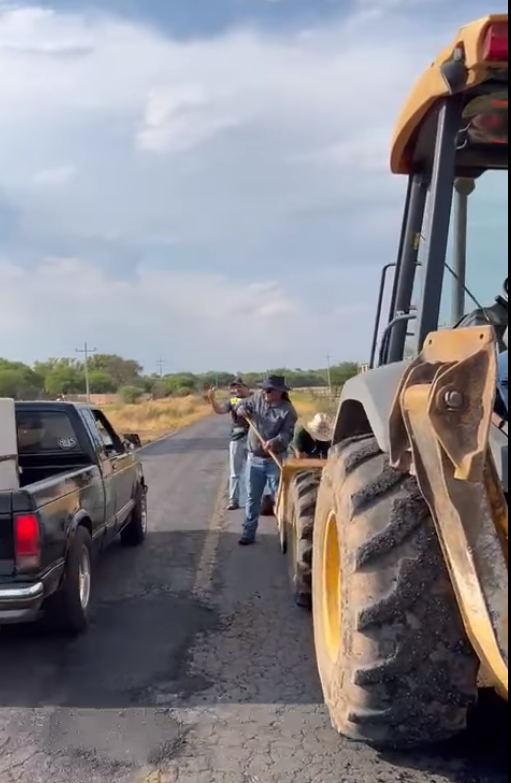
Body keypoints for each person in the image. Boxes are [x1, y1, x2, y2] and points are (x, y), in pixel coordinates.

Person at [234, 374, 298, 546]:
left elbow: (287, 434)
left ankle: (284, 535)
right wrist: (241, 409)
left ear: (280, 392)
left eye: (269, 390)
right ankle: (248, 533)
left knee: (279, 499)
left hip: (274, 460)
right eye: (264, 389)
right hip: (253, 460)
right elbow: (241, 405)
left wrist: (274, 442)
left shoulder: (288, 411)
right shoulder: (256, 399)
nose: (266, 392)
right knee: (252, 498)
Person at [208, 378, 251, 511]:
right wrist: (212, 399)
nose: (237, 390)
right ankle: (234, 500)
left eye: (239, 387)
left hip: (254, 439)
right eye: (235, 387)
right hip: (237, 438)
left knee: (253, 471)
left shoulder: (256, 399)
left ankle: (254, 500)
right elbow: (220, 410)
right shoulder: (233, 401)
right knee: (235, 472)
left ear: (246, 387)